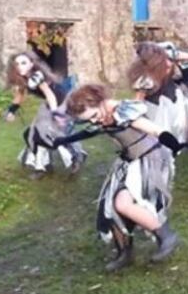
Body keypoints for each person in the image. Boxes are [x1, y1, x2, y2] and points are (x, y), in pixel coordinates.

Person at [53, 84, 181, 271]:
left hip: (148, 159)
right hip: (128, 161)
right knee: (109, 207)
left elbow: (154, 129)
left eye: (94, 116)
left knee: (122, 204)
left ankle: (166, 235)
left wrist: (174, 145)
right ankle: (125, 253)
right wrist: (63, 140)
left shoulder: (122, 111)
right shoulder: (101, 115)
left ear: (100, 102)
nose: (95, 122)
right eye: (89, 119)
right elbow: (90, 131)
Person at [130, 43, 188, 184]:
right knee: (162, 139)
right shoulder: (143, 77)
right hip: (155, 108)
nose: (167, 64)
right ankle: (162, 171)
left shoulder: (168, 55)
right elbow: (138, 99)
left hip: (175, 101)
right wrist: (133, 115)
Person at [5, 51, 87, 179]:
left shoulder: (37, 76)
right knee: (32, 134)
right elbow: (20, 96)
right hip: (50, 103)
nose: (20, 66)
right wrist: (11, 110)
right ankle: (43, 166)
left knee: (51, 133)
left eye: (24, 63)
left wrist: (56, 114)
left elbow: (50, 95)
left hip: (61, 102)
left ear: (32, 64)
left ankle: (75, 157)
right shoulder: (23, 78)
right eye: (17, 64)